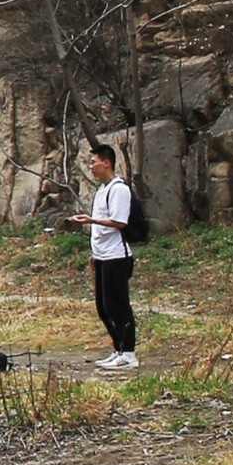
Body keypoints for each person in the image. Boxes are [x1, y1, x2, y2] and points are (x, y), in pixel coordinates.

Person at [65, 146, 139, 369]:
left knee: (119, 306)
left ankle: (129, 353)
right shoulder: (102, 190)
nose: (91, 167)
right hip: (102, 256)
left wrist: (90, 221)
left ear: (106, 162)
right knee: (103, 307)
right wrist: (94, 254)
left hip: (117, 255)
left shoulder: (119, 190)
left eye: (94, 161)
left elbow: (119, 222)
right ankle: (118, 349)